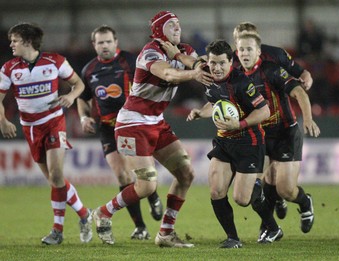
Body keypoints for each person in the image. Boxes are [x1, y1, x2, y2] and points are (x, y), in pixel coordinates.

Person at [91, 11, 213, 247]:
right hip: (132, 123)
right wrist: (194, 72)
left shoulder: (184, 49)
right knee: (147, 186)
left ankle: (165, 233)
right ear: (158, 30)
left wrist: (193, 63)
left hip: (156, 121)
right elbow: (169, 73)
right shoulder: (149, 52)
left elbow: (195, 62)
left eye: (179, 23)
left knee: (186, 174)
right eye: (171, 25)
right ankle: (103, 213)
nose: (177, 27)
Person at [0, 22, 92, 245]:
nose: (11, 44)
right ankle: (85, 214)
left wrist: (70, 97)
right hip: (30, 128)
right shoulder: (9, 68)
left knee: (57, 175)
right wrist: (2, 120)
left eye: (15, 40)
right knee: (54, 180)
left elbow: (79, 84)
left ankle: (57, 231)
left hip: (53, 122)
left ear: (28, 41)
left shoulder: (55, 61)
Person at [77, 25, 163, 241]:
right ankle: (140, 226)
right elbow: (82, 97)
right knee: (122, 175)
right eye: (100, 42)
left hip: (131, 124)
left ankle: (152, 195)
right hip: (106, 127)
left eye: (108, 41)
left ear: (116, 42)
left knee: (138, 174)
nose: (104, 46)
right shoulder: (89, 70)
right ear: (94, 45)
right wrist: (84, 117)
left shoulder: (130, 61)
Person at [236, 33, 320, 243]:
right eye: (241, 50)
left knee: (284, 188)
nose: (245, 53)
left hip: (285, 133)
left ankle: (304, 201)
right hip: (259, 135)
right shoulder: (236, 75)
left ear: (258, 52)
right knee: (257, 185)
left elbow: (299, 92)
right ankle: (268, 227)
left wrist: (307, 119)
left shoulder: (272, 71)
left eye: (249, 49)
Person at [187, 40, 270, 248]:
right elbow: (216, 103)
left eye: (222, 63)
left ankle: (271, 224)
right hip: (224, 141)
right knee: (216, 191)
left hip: (249, 142)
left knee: (243, 199)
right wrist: (201, 112)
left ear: (231, 62)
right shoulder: (206, 74)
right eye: (213, 63)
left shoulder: (242, 82)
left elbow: (264, 111)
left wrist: (239, 123)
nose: (216, 68)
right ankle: (233, 238)